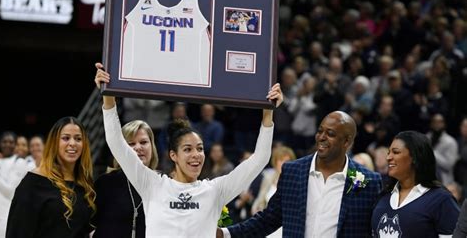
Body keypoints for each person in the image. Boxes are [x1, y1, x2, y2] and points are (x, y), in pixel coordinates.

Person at [95, 62, 282, 237]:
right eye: (188, 149)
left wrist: (268, 112)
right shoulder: (152, 184)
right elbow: (116, 142)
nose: (196, 155)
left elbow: (261, 158)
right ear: (173, 155)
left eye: (200, 148)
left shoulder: (215, 190)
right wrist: (108, 97)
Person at [219, 111, 383, 237]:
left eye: (330, 134)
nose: (322, 137)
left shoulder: (369, 181)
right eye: (320, 131)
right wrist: (227, 234)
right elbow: (268, 219)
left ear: (347, 142)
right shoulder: (293, 171)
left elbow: (375, 231)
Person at [5, 117, 96, 238]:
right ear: (54, 143)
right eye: (66, 138)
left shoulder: (84, 183)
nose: (72, 143)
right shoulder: (33, 182)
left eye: (78, 139)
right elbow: (16, 232)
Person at [371, 131, 460, 237]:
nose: (388, 157)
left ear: (414, 157)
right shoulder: (384, 196)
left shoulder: (441, 200)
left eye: (395, 152)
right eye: (388, 153)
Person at [92, 119, 159, 238]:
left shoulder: (163, 185)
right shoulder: (105, 184)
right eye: (131, 144)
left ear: (152, 146)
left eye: (143, 142)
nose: (138, 147)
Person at [0, 131, 29, 238]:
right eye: (4, 142)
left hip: (5, 217)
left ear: (15, 144)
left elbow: (10, 191)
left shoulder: (20, 162)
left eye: (11, 142)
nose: (7, 144)